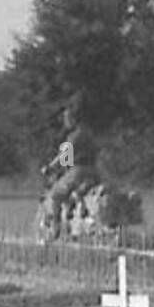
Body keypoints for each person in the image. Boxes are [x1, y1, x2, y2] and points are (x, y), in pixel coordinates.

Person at [44, 97, 100, 235]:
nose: (65, 121)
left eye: (67, 118)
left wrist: (49, 168)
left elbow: (64, 156)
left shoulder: (74, 136)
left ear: (73, 119)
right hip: (94, 171)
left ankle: (55, 229)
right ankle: (75, 207)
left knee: (55, 195)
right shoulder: (89, 134)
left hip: (78, 172)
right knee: (70, 189)